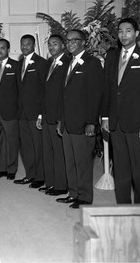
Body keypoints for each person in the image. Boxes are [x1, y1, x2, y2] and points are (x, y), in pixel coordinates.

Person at [101, 18, 140, 204]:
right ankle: (123, 207)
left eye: (128, 31)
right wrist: (105, 117)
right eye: (120, 31)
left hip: (137, 123)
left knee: (139, 170)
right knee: (121, 168)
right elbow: (107, 90)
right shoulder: (111, 57)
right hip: (116, 122)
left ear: (136, 33)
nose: (123, 34)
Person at [57, 29, 103, 209]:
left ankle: (84, 196)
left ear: (84, 42)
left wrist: (92, 121)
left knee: (83, 162)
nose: (69, 43)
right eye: (67, 41)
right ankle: (73, 192)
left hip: (84, 122)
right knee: (70, 161)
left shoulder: (92, 63)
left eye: (74, 40)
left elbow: (95, 95)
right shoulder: (68, 62)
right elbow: (64, 95)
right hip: (68, 122)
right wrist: (61, 120)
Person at [36, 35, 69, 196]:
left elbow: (66, 94)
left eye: (55, 44)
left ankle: (61, 185)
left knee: (59, 153)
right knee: (47, 152)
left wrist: (61, 118)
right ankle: (50, 183)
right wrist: (41, 116)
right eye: (49, 44)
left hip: (58, 116)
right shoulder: (49, 63)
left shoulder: (68, 63)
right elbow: (44, 92)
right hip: (46, 115)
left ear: (63, 45)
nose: (51, 47)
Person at [15, 34, 48, 188]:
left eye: (27, 44)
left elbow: (44, 90)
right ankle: (30, 175)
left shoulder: (42, 63)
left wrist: (41, 114)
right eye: (22, 44)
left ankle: (40, 177)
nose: (24, 47)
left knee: (38, 147)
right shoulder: (19, 63)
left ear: (33, 45)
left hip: (36, 113)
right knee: (26, 147)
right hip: (22, 114)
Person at [0, 39, 20, 180]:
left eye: (2, 48)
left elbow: (21, 90)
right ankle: (2, 168)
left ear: (8, 50)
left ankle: (12, 169)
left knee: (12, 141)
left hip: (10, 111)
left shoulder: (17, 66)